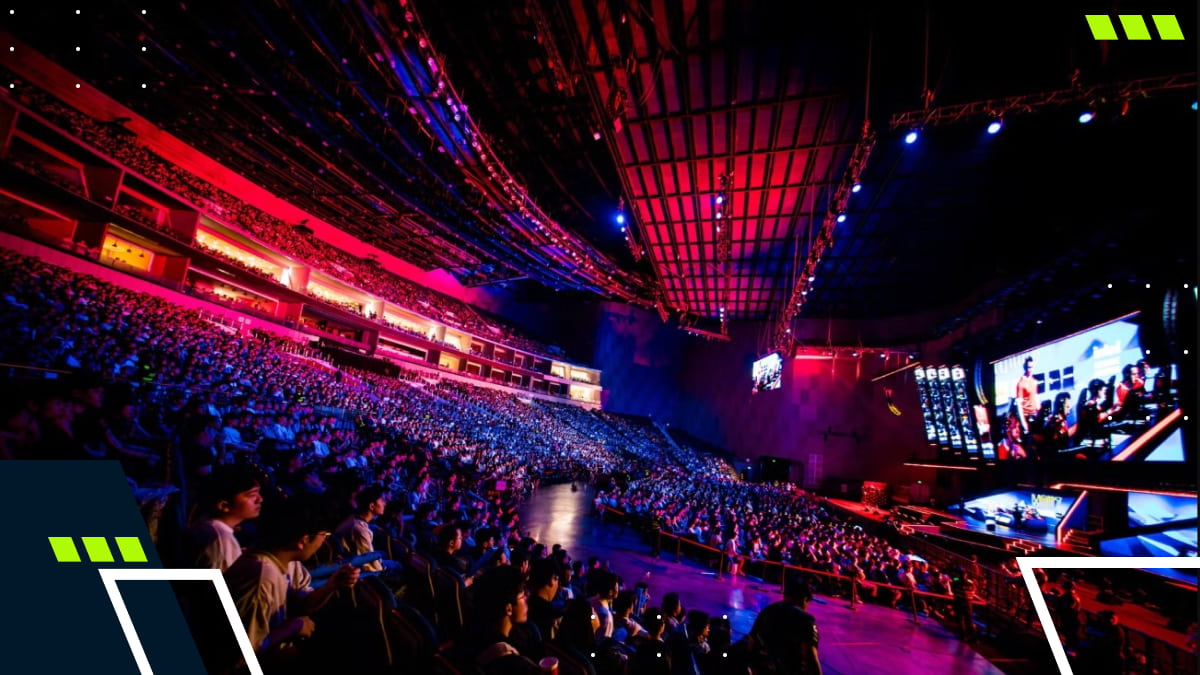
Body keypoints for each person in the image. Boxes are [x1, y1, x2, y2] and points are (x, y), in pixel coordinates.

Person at [748, 576, 822, 674]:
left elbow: (751, 643)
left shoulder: (768, 611)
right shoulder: (806, 620)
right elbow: (810, 658)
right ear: (805, 598)